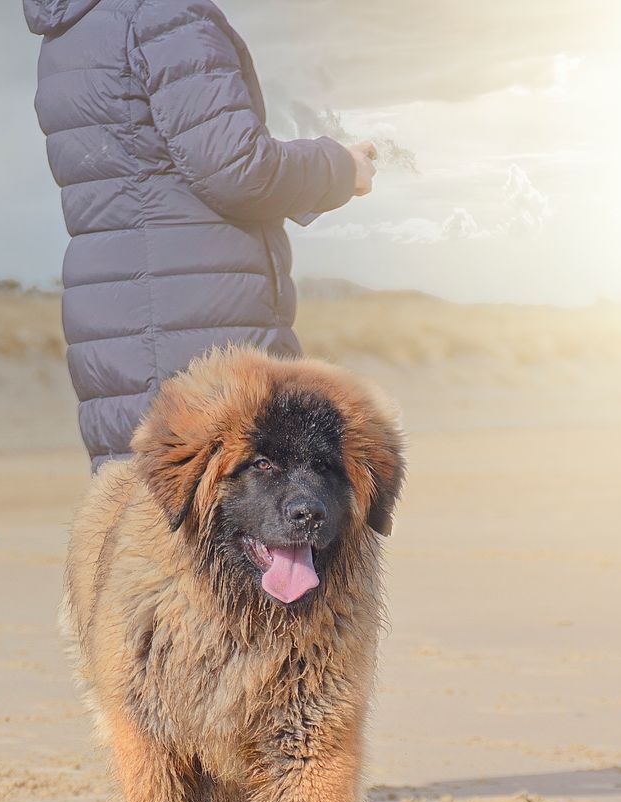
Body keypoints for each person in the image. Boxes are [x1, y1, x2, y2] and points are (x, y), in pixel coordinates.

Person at [26, 0, 376, 470]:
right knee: (251, 523)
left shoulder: (77, 25)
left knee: (142, 523)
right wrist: (340, 167)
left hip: (118, 324)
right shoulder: (164, 14)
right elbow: (237, 168)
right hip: (198, 326)